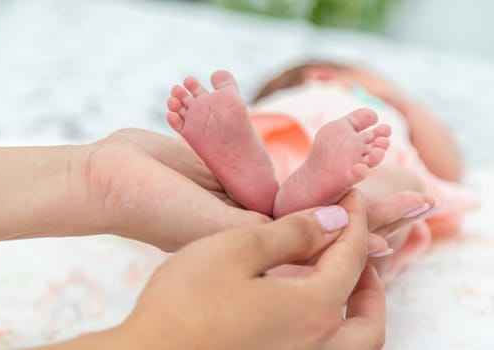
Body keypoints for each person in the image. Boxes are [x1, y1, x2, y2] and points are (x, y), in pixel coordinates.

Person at [0, 129, 434, 349]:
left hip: (273, 136)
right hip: (369, 152)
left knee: (254, 182)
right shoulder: (390, 116)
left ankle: (259, 179)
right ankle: (326, 196)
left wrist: (93, 181)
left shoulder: (288, 105)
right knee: (392, 188)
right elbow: (444, 170)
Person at [165, 65, 478, 281]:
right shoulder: (360, 105)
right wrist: (405, 106)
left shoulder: (293, 104)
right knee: (402, 190)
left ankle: (255, 192)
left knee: (214, 190)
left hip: (273, 144)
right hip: (354, 173)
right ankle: (341, 202)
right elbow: (449, 163)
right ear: (323, 76)